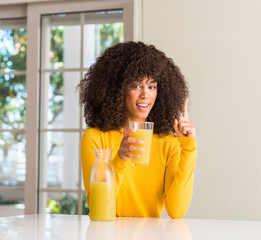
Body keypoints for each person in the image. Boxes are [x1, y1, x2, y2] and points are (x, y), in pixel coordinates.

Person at [78, 41, 197, 219]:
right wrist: (121, 159)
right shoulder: (95, 138)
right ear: (117, 89)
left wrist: (188, 147)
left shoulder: (169, 143)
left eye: (151, 86)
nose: (145, 95)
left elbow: (176, 211)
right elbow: (97, 209)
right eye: (135, 85)